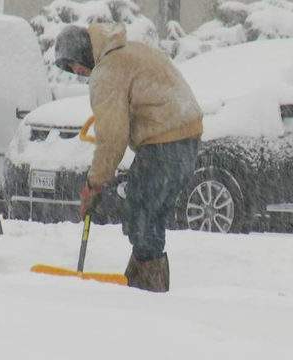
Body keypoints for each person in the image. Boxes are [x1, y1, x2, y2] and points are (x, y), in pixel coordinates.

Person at [54, 24, 203, 292]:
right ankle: (142, 282)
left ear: (84, 52)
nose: (80, 73)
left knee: (142, 215)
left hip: (165, 142)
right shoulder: (128, 50)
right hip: (186, 138)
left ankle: (148, 289)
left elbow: (112, 136)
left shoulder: (107, 70)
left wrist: (94, 183)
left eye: (76, 66)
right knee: (148, 215)